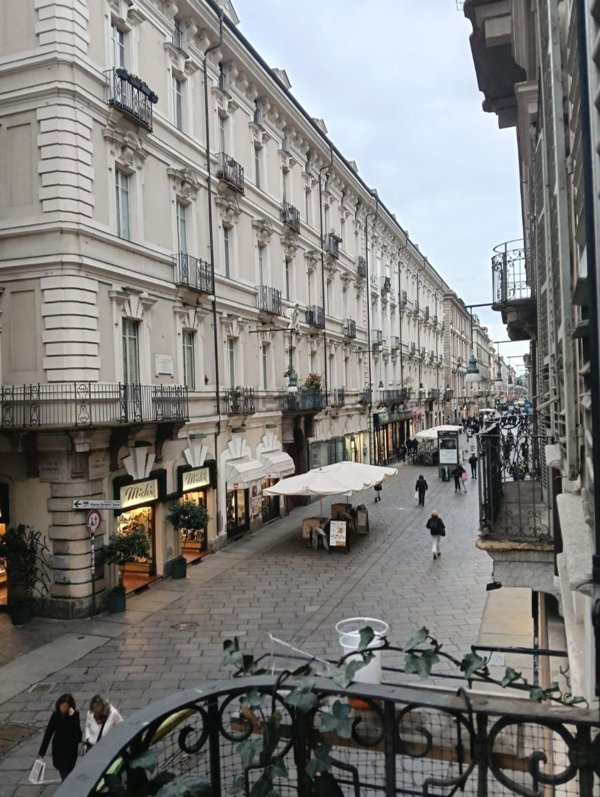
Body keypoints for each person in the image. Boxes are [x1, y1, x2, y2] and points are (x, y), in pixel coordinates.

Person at [38, 693, 82, 781]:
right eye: (62, 706)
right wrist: (42, 752)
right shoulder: (55, 715)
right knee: (63, 772)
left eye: (65, 706)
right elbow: (48, 733)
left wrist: (72, 716)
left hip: (70, 750)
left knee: (68, 771)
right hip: (59, 749)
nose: (63, 708)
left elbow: (78, 733)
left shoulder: (75, 715)